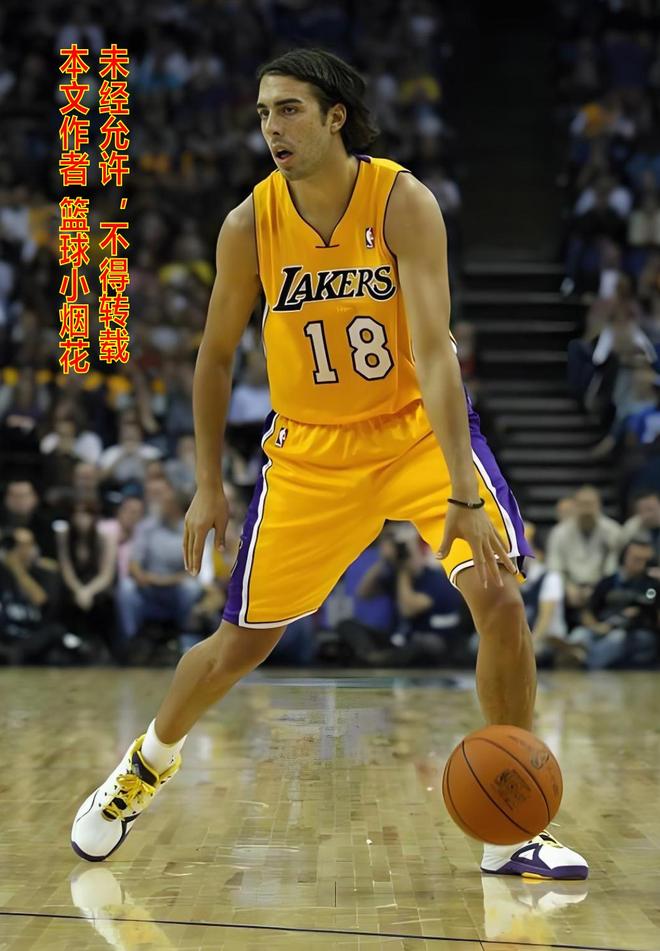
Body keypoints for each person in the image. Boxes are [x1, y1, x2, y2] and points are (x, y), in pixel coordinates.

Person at [72, 48, 588, 880]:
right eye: (263, 114)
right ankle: (144, 765)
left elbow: (435, 349)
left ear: (335, 116)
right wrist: (207, 484)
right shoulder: (248, 224)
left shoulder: (402, 200)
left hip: (415, 431)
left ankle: (512, 826)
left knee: (498, 594)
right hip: (312, 452)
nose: (271, 128)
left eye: (288, 110)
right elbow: (214, 359)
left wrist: (463, 490)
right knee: (240, 644)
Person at [564, 540, 659, 670]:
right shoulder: (607, 582)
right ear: (624, 557)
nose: (641, 563)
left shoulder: (652, 586)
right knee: (579, 634)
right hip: (603, 626)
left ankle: (584, 663)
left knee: (615, 639)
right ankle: (574, 655)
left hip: (631, 631)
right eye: (636, 558)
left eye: (645, 560)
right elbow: (588, 611)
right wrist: (596, 626)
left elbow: (652, 614)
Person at [546, 485, 621, 622]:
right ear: (575, 506)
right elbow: (555, 566)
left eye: (591, 504)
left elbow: (613, 566)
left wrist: (597, 589)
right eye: (582, 504)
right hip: (570, 590)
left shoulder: (612, 530)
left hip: (602, 590)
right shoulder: (559, 532)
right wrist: (568, 587)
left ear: (599, 505)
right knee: (551, 583)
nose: (587, 509)